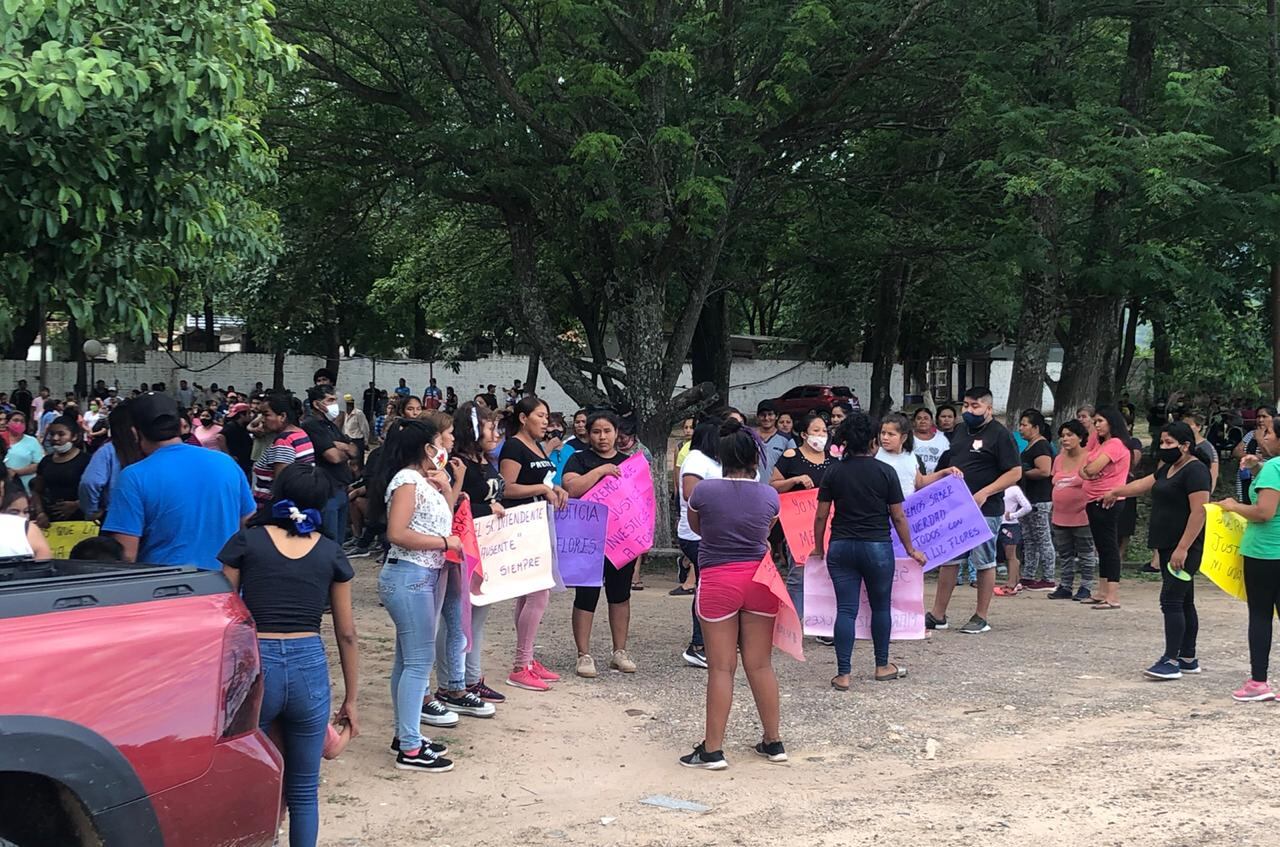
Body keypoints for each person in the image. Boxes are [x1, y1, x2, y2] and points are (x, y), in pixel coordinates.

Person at [218, 464, 359, 846]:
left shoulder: (246, 542)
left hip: (257, 661)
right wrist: (351, 698)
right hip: (307, 663)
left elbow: (226, 616)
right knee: (304, 790)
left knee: (253, 781)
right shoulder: (330, 551)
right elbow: (346, 633)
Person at [680, 420, 786, 770]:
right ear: (755, 459)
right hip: (760, 580)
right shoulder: (769, 495)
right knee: (761, 664)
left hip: (718, 579)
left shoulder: (704, 492)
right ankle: (773, 741)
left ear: (721, 457)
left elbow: (697, 528)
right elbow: (766, 531)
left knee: (721, 668)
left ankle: (713, 749)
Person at [814, 412, 928, 690]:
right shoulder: (885, 472)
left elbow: (821, 515)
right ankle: (882, 665)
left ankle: (843, 673)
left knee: (846, 609)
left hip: (841, 546)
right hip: (877, 547)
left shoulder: (834, 471)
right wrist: (911, 548)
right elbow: (898, 516)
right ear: (873, 441)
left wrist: (818, 548)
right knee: (880, 606)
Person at [373, 417, 459, 772]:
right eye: (439, 442)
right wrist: (444, 543)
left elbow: (445, 521)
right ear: (426, 447)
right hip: (410, 575)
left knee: (408, 660)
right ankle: (409, 747)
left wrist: (447, 488)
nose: (443, 448)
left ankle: (406, 734)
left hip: (419, 576)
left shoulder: (423, 481)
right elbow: (397, 532)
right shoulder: (407, 481)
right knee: (418, 662)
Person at [1103, 422, 1209, 681]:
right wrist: (1116, 491)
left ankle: (1171, 660)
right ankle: (1187, 657)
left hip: (1183, 547)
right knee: (1183, 600)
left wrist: (1183, 548)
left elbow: (1199, 511)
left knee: (1171, 600)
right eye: (1162, 442)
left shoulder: (1196, 471)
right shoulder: (1169, 469)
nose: (1164, 447)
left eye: (1169, 443)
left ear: (1185, 445)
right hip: (1166, 544)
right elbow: (1143, 484)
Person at [103, 393, 256, 569]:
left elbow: (126, 556)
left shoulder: (133, 477)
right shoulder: (226, 463)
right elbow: (249, 525)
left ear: (134, 433)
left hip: (165, 583)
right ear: (182, 425)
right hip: (223, 581)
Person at [926, 387, 1022, 635]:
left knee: (984, 560)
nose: (968, 410)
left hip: (985, 508)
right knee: (950, 560)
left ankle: (981, 616)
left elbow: (1015, 472)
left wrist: (985, 492)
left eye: (975, 406)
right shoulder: (960, 430)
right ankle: (938, 614)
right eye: (966, 405)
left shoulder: (1000, 435)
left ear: (989, 408)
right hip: (955, 506)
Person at [499, 396, 569, 691]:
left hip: (539, 521)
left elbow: (542, 479)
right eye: (540, 415)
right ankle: (520, 665)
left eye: (547, 416)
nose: (545, 421)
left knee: (529, 594)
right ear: (523, 417)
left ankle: (527, 659)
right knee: (539, 593)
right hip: (521, 524)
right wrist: (541, 488)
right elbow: (507, 488)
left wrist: (555, 488)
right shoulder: (514, 446)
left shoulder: (537, 445)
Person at [563, 410, 639, 678]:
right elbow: (572, 489)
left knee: (620, 595)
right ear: (588, 434)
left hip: (621, 540)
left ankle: (620, 651)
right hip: (587, 541)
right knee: (586, 595)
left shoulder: (629, 463)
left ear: (617, 433)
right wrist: (601, 471)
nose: (602, 437)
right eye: (596, 431)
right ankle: (583, 654)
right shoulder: (578, 459)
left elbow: (641, 502)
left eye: (607, 431)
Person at [1221, 416, 1280, 700]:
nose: (1263, 437)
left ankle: (1258, 682)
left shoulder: (1275, 468)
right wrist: (1257, 467)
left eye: (1268, 432)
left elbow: (1264, 512)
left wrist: (1233, 506)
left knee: (1260, 614)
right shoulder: (1269, 468)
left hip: (1265, 552)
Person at [452, 402, 507, 704]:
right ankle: (455, 680)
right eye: (490, 427)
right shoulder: (457, 465)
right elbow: (451, 505)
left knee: (479, 616)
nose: (496, 434)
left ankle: (472, 678)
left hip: (488, 548)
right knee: (459, 618)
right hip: (465, 550)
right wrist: (487, 509)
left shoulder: (486, 461)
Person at [769, 412, 834, 617]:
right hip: (798, 529)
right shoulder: (791, 457)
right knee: (798, 575)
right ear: (804, 434)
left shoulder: (833, 460)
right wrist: (794, 480)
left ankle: (822, 620)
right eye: (816, 430)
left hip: (829, 526)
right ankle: (795, 620)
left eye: (824, 431)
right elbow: (773, 485)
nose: (821, 435)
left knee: (827, 574)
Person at [677, 419, 723, 668]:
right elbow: (690, 493)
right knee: (706, 587)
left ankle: (708, 641)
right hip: (696, 535)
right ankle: (697, 645)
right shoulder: (696, 459)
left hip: (712, 533)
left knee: (711, 586)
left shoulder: (714, 460)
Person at [1078, 407, 1132, 610]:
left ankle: (1113, 595)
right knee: (1101, 547)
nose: (1096, 425)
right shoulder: (1101, 444)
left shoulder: (1116, 444)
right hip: (1093, 499)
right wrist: (1086, 471)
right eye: (1095, 421)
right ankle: (1102, 591)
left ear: (1112, 422)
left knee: (1109, 546)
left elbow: (1091, 468)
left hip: (1108, 500)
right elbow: (1083, 469)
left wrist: (1087, 471)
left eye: (1100, 421)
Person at [1046, 420, 1097, 601]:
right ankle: (1065, 585)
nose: (1065, 439)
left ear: (1080, 437)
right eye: (1062, 436)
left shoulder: (1090, 458)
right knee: (1064, 552)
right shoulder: (1059, 459)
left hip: (1082, 513)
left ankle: (1086, 586)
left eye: (1070, 435)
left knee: (1085, 552)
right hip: (1060, 514)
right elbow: (1054, 479)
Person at [302, 386, 357, 542]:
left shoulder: (330, 425)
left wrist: (343, 447)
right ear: (316, 404)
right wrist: (344, 450)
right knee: (329, 540)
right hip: (327, 490)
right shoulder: (311, 425)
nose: (334, 404)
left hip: (341, 488)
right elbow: (333, 457)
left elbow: (354, 450)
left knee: (338, 541)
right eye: (330, 400)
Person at [79, 401, 141, 521]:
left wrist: (92, 511)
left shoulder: (107, 450)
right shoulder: (147, 447)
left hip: (114, 515)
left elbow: (89, 482)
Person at [875, 412, 960, 498]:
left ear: (904, 437)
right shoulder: (875, 455)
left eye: (891, 434)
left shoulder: (910, 456)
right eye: (883, 433)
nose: (885, 437)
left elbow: (920, 482)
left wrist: (944, 473)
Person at [1015, 410, 1055, 590]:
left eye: (1024, 425)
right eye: (1020, 425)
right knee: (1030, 539)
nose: (1021, 428)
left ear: (1036, 427)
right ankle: (1029, 575)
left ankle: (1048, 576)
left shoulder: (1041, 446)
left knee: (1042, 538)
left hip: (1040, 499)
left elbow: (1045, 470)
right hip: (1028, 499)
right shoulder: (1029, 446)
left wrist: (1022, 474)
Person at [252, 394, 316, 505]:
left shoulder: (284, 441)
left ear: (282, 416)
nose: (262, 420)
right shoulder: (300, 434)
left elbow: (281, 484)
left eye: (266, 415)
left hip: (273, 507)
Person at [31, 415, 90, 527]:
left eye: (61, 434)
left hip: (79, 522)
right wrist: (40, 512)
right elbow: (37, 490)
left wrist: (76, 505)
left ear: (74, 436)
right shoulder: (46, 461)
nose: (55, 438)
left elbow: (97, 492)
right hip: (50, 523)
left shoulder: (87, 460)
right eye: (52, 434)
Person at [0, 477, 53, 559]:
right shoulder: (30, 529)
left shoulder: (30, 530)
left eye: (26, 512)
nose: (22, 517)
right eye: (14, 513)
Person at [1233, 406, 1276, 504]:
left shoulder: (1275, 436)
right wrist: (1252, 457)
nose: (1260, 420)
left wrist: (1260, 439)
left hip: (1264, 479)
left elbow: (1271, 454)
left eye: (1264, 416)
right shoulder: (1251, 434)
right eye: (1258, 416)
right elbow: (1236, 451)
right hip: (1246, 476)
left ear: (1273, 418)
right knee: (1245, 504)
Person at [994, 484, 1031, 595]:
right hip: (999, 523)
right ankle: (1016, 581)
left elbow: (1027, 507)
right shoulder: (997, 487)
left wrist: (1013, 515)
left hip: (1010, 525)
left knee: (1011, 556)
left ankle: (1011, 584)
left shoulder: (1014, 489)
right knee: (1009, 555)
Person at [4, 412, 43, 493]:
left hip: (25, 486)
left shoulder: (32, 441)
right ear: (7, 423)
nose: (19, 423)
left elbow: (39, 464)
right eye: (16, 420)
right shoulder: (2, 440)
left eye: (22, 421)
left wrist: (16, 472)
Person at [755, 400, 792, 479]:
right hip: (751, 484)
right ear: (758, 416)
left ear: (776, 416)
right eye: (763, 415)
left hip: (776, 485)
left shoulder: (787, 440)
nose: (766, 418)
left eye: (770, 414)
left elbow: (794, 464)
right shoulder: (748, 436)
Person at [911, 407, 951, 473]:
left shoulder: (942, 439)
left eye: (926, 418)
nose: (923, 421)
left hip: (938, 477)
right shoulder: (908, 438)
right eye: (919, 418)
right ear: (913, 422)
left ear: (932, 421)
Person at [1188, 412, 1220, 491]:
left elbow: (1213, 474)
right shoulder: (1180, 444)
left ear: (1198, 427)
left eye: (1189, 425)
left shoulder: (1207, 448)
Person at [222, 402, 254, 478]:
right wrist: (229, 456)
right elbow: (220, 437)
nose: (250, 416)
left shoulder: (243, 426)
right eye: (248, 414)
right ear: (242, 415)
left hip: (245, 461)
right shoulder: (231, 426)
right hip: (237, 462)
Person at [343, 394, 371, 462]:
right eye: (347, 404)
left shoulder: (358, 413)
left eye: (350, 404)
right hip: (348, 440)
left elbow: (365, 428)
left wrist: (366, 441)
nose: (349, 406)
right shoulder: (345, 414)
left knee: (358, 461)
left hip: (357, 441)